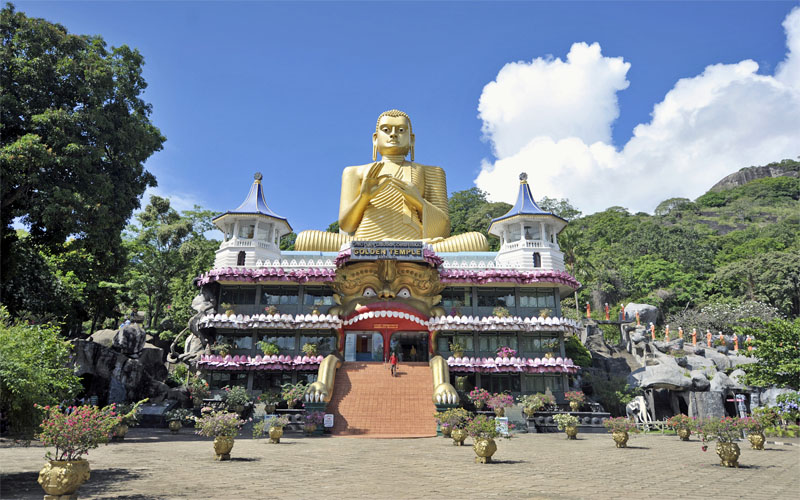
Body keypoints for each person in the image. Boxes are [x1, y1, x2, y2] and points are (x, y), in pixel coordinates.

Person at [295, 110, 489, 252]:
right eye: (386, 129)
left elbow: (443, 230)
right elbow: (347, 226)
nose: (393, 134)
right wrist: (364, 197)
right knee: (304, 240)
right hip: (364, 243)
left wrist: (418, 201)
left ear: (411, 140)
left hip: (417, 244)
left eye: (401, 130)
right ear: (375, 138)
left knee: (477, 241)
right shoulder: (354, 172)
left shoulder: (431, 172)